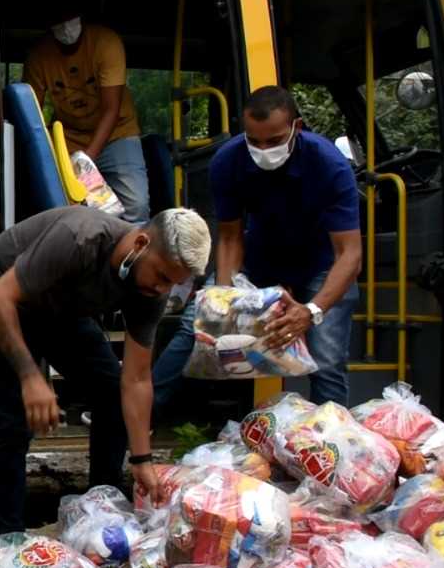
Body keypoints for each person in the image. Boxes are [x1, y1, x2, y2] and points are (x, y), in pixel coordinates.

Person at [0, 206, 211, 537]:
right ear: (141, 243)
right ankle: (7, 536)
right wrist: (30, 377)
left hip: (63, 310)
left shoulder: (149, 288)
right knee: (15, 421)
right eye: (162, 276)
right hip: (2, 298)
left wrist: (141, 459)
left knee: (112, 396)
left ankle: (100, 513)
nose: (162, 289)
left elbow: (137, 379)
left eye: (174, 283)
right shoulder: (79, 238)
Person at [152, 86, 362, 408]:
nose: (264, 150)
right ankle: (137, 415)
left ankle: (330, 441)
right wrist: (222, 298)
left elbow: (349, 253)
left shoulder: (329, 165)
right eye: (255, 141)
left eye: (275, 141)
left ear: (297, 128)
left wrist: (311, 311)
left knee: (327, 359)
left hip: (321, 265)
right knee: (195, 326)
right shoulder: (228, 161)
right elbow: (230, 235)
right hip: (258, 260)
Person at [23, 0, 150, 222]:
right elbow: (33, 114)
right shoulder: (39, 56)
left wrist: (86, 163)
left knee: (137, 206)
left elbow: (112, 109)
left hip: (117, 133)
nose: (65, 25)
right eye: (59, 20)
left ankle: (131, 255)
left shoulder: (106, 43)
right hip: (69, 138)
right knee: (69, 209)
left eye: (70, 18)